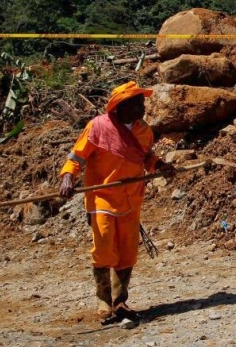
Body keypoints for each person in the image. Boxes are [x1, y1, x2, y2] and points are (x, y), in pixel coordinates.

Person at [58, 81, 174, 324]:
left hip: (132, 197)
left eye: (142, 101)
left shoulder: (144, 130)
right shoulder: (98, 127)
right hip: (102, 197)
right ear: (120, 106)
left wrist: (160, 166)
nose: (142, 107)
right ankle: (103, 300)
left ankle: (120, 301)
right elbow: (77, 156)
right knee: (104, 246)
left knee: (127, 250)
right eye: (136, 102)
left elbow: (146, 157)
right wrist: (68, 177)